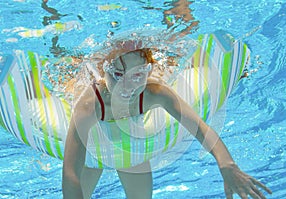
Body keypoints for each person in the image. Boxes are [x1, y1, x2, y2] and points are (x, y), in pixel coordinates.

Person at [62, 38, 272, 199]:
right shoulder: (90, 105)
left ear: (148, 71)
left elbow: (200, 128)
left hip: (131, 146)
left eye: (137, 75)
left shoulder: (155, 92)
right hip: (93, 148)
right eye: (118, 74)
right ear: (103, 70)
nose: (127, 86)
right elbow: (70, 169)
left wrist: (227, 165)